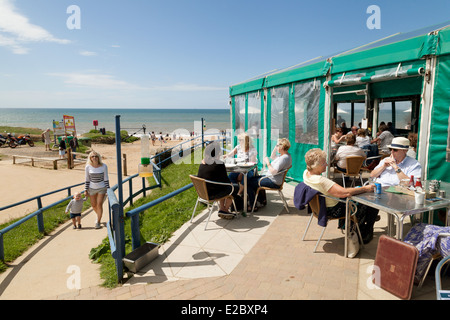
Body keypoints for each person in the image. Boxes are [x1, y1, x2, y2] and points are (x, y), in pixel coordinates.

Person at [302, 148, 378, 243]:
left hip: (319, 208)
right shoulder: (321, 181)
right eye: (324, 163)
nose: (326, 164)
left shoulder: (306, 174)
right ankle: (366, 231)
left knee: (361, 199)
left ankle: (360, 223)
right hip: (333, 210)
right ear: (316, 166)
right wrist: (365, 188)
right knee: (371, 202)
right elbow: (345, 193)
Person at [247, 138, 292, 212]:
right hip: (272, 178)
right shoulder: (285, 155)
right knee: (253, 179)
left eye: (277, 146)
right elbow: (273, 156)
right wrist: (276, 147)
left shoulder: (283, 158)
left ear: (282, 147)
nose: (276, 147)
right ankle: (261, 201)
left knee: (249, 183)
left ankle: (253, 206)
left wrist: (268, 162)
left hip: (273, 181)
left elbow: (274, 171)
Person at [197, 142, 239, 219]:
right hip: (213, 194)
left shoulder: (203, 162)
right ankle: (225, 209)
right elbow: (226, 182)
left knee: (222, 186)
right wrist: (232, 184)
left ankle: (222, 208)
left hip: (203, 193)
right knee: (235, 187)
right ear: (217, 153)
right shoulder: (219, 164)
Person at [85, 151, 110, 229]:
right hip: (92, 188)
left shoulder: (103, 166)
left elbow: (106, 178)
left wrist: (108, 189)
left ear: (98, 157)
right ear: (90, 158)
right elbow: (87, 179)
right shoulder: (88, 167)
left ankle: (98, 221)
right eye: (93, 156)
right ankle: (99, 214)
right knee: (93, 205)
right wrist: (85, 190)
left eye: (96, 156)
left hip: (101, 188)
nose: (94, 158)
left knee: (99, 204)